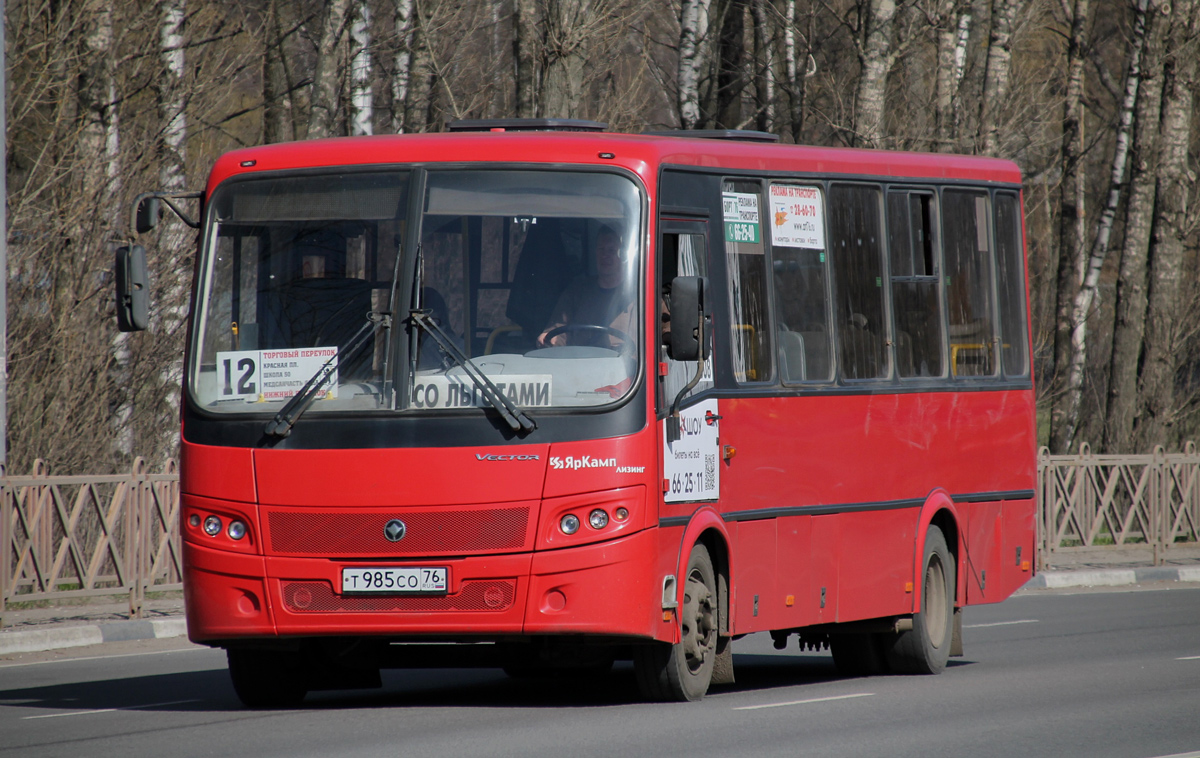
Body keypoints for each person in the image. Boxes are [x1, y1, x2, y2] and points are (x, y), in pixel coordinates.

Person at [536, 225, 635, 348]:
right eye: (601, 249)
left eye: (611, 250)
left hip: (623, 365)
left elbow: (663, 331)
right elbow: (558, 330)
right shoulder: (577, 292)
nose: (605, 255)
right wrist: (549, 339)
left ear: (625, 255)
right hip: (579, 362)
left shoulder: (641, 296)